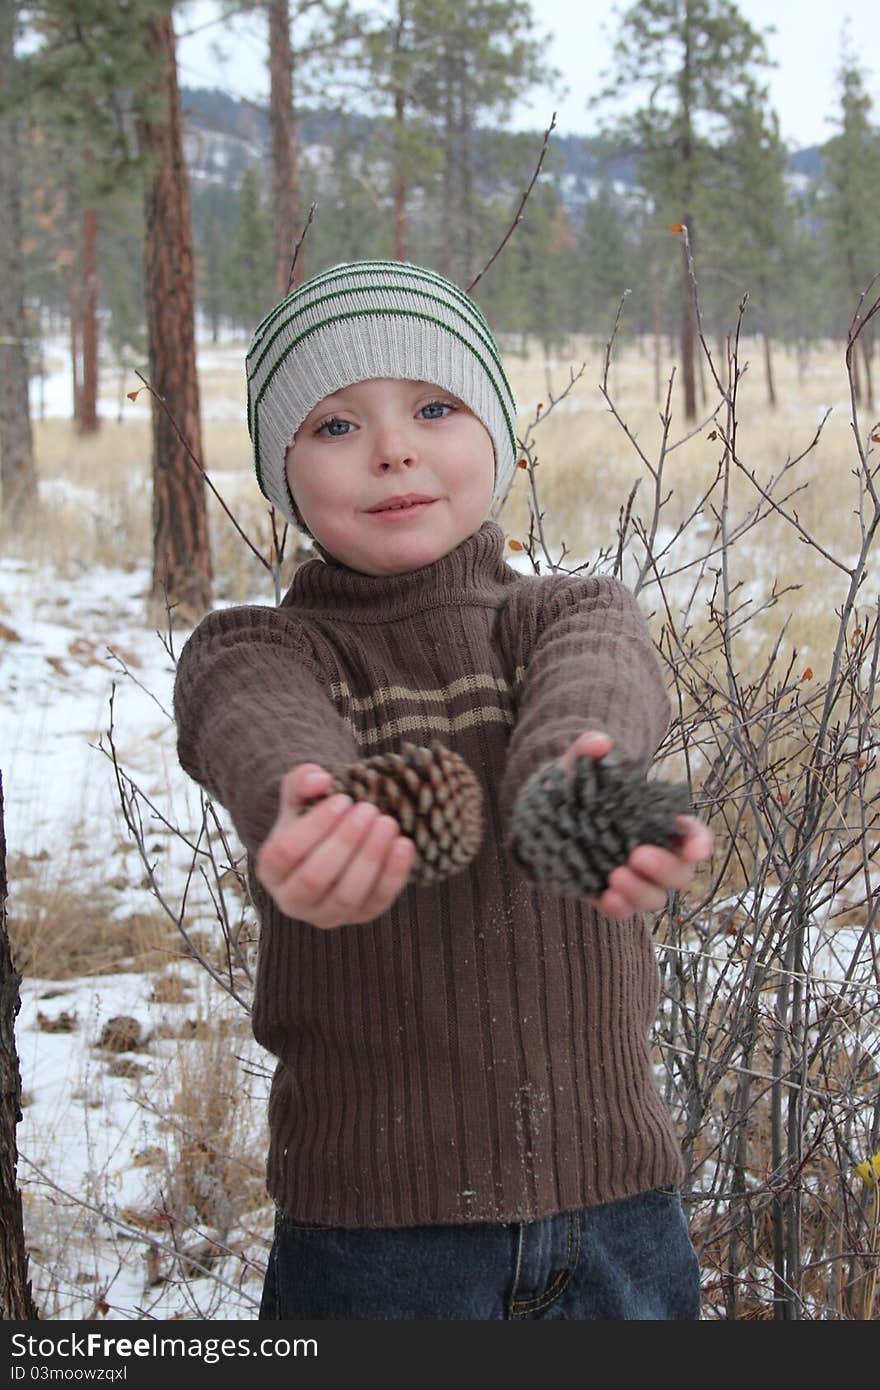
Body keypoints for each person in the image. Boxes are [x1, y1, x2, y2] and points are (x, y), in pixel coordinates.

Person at [173, 259, 714, 1321]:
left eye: (434, 405)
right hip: (375, 1237)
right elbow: (253, 717)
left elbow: (595, 681)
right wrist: (312, 810)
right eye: (334, 425)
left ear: (503, 439)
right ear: (283, 474)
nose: (393, 448)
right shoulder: (266, 645)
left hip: (618, 1212)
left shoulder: (565, 613)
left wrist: (576, 780)